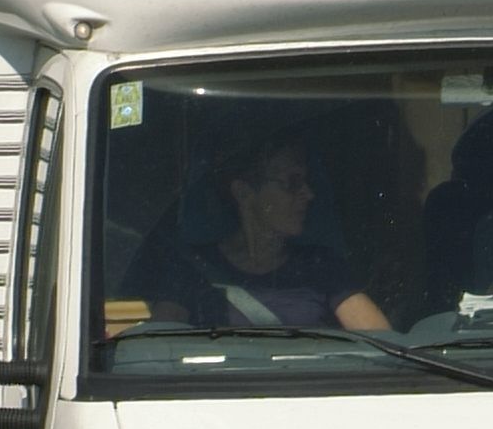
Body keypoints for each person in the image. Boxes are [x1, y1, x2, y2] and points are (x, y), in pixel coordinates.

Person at [155, 130, 391, 332]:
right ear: (243, 193)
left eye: (306, 182)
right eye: (292, 182)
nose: (308, 194)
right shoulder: (193, 267)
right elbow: (159, 350)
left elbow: (382, 343)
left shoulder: (322, 266)